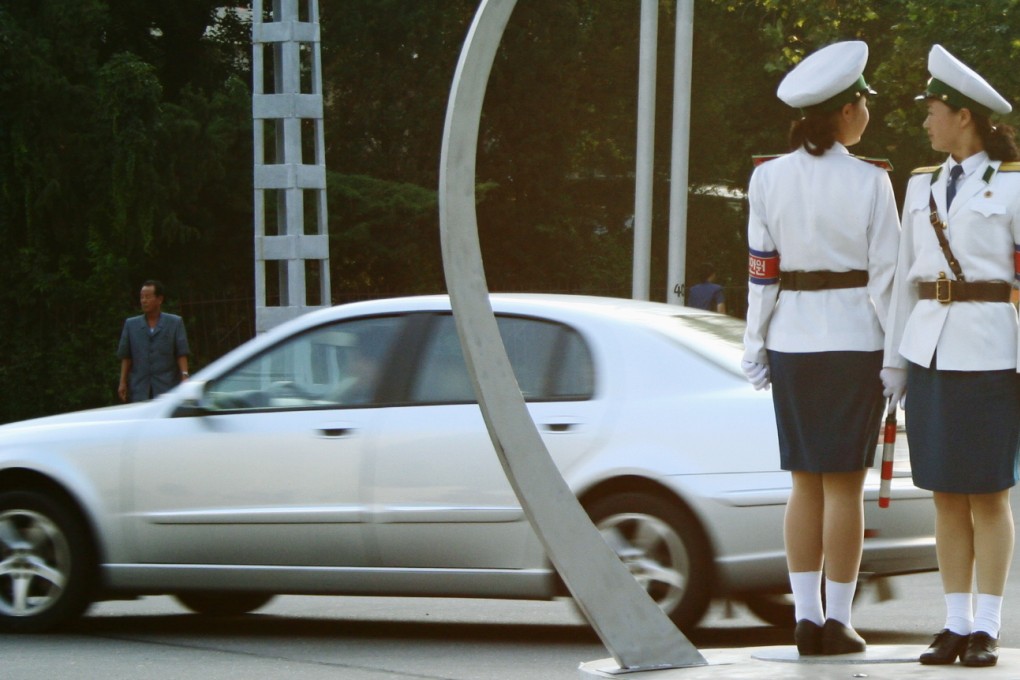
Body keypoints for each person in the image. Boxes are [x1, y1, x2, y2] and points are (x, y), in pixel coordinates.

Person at [741, 41, 900, 656]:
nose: (868, 114)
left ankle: (804, 618)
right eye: (863, 104)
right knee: (844, 487)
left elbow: (762, 274)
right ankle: (839, 620)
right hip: (856, 340)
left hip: (791, 339)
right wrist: (896, 357)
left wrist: (755, 345)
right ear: (846, 111)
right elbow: (886, 278)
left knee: (804, 483)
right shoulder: (871, 181)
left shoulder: (766, 176)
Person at [881, 45, 1020, 668]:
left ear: (964, 116)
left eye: (933, 111)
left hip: (991, 349)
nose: (926, 122)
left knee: (987, 494)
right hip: (931, 350)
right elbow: (904, 282)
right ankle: (954, 622)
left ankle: (987, 626)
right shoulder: (920, 186)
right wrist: (895, 362)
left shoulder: (1013, 185)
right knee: (943, 494)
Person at [117, 280, 191, 402]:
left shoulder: (174, 323)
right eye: (141, 297)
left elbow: (181, 352)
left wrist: (184, 376)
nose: (144, 301)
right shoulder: (131, 325)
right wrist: (122, 382)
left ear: (159, 299)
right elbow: (126, 356)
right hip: (140, 387)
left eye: (148, 297)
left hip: (167, 385)